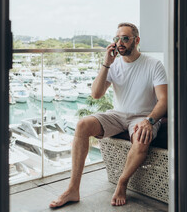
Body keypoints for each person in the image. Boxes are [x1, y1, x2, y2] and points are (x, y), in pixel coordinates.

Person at [49, 22, 168, 208]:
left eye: (125, 38)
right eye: (117, 38)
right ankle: (73, 189)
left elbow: (164, 100)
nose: (120, 42)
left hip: (143, 117)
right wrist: (106, 63)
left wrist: (149, 121)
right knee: (82, 125)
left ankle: (121, 183)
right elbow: (96, 94)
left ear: (136, 41)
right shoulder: (114, 65)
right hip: (117, 115)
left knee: (141, 138)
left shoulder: (153, 65)